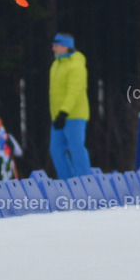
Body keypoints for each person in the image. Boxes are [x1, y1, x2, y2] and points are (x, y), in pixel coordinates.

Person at [49, 33, 92, 178]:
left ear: (65, 47)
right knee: (56, 149)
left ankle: (83, 180)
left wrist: (64, 112)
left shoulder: (76, 66)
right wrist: (58, 115)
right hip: (58, 116)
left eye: (56, 46)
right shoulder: (56, 64)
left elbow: (74, 92)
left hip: (74, 115)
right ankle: (67, 181)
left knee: (76, 148)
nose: (53, 49)